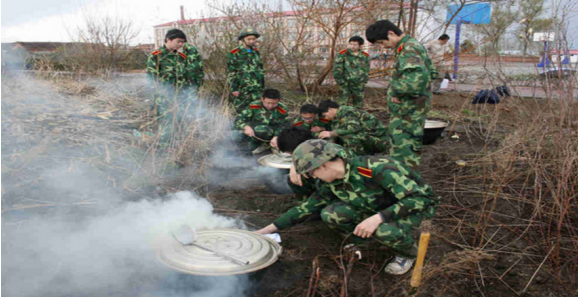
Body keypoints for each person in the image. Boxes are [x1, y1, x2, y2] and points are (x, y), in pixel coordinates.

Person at [256, 139, 439, 275]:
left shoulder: (376, 168)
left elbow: (419, 198)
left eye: (312, 173)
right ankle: (361, 241)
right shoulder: (332, 181)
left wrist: (378, 219)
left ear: (324, 165)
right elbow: (306, 208)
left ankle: (406, 254)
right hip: (374, 206)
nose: (313, 177)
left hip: (414, 206)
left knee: (384, 231)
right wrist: (266, 230)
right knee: (330, 214)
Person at [366, 20, 438, 170]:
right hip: (411, 107)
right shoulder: (410, 46)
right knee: (408, 146)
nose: (382, 46)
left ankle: (405, 182)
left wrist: (397, 92)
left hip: (408, 110)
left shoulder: (409, 49)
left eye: (381, 42)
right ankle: (406, 178)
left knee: (403, 148)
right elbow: (432, 72)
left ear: (390, 34)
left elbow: (415, 80)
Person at [146, 29, 204, 142]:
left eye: (183, 42)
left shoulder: (182, 57)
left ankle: (178, 151)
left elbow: (188, 76)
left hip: (181, 98)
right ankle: (164, 151)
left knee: (182, 125)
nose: (181, 45)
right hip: (165, 99)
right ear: (168, 39)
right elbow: (151, 80)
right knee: (166, 127)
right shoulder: (156, 56)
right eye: (178, 41)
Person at [317, 100, 387, 155]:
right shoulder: (336, 118)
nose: (326, 118)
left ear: (330, 109)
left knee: (349, 136)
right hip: (368, 139)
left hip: (380, 140)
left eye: (325, 115)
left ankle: (357, 159)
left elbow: (354, 128)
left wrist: (331, 133)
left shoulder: (346, 111)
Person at [234, 89, 289, 154]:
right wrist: (246, 127)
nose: (270, 106)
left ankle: (269, 144)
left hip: (272, 133)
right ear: (262, 99)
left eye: (274, 103)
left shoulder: (282, 109)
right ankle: (260, 143)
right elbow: (239, 119)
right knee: (236, 136)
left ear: (278, 100)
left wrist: (276, 136)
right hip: (255, 133)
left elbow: (284, 125)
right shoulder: (254, 105)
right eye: (268, 103)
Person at [227, 28, 265, 113]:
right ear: (243, 39)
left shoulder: (256, 52)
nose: (252, 41)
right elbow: (231, 72)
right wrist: (234, 88)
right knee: (241, 111)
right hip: (242, 89)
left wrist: (262, 87)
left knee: (256, 111)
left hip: (256, 88)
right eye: (249, 39)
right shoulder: (234, 53)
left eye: (253, 39)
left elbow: (260, 70)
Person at [333, 36, 371, 108]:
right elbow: (337, 69)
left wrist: (364, 80)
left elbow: (366, 69)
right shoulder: (343, 54)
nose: (352, 46)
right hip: (345, 83)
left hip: (359, 84)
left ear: (360, 46)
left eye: (355, 44)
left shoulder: (364, 56)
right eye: (351, 44)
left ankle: (356, 118)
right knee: (343, 104)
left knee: (358, 104)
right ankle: (342, 118)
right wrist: (340, 81)